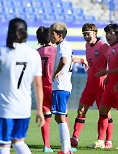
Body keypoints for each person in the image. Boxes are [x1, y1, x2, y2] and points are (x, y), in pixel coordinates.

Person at [0, 18, 45, 154]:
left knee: (3, 146)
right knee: (19, 142)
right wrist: (39, 110)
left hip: (5, 108)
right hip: (24, 109)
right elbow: (38, 85)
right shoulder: (33, 54)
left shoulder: (1, 52)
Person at [70, 23, 114, 150]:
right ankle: (74, 138)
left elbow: (111, 63)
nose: (86, 36)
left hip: (101, 86)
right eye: (84, 34)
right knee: (81, 111)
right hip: (90, 85)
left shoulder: (103, 46)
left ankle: (108, 140)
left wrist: (109, 78)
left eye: (88, 34)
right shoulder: (87, 46)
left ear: (95, 33)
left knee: (105, 114)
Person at [95, 23, 118, 150]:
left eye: (111, 33)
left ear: (117, 34)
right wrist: (108, 78)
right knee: (103, 111)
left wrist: (107, 74)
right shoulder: (111, 48)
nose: (108, 35)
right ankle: (101, 140)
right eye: (107, 33)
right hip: (110, 85)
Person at [49, 22, 73, 154]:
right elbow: (69, 59)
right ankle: (67, 148)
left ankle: (65, 149)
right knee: (60, 115)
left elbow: (64, 60)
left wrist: (56, 72)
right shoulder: (65, 45)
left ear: (60, 35)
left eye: (52, 34)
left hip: (60, 85)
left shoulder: (62, 45)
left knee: (59, 116)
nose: (50, 36)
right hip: (64, 85)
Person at [36, 26, 56, 153]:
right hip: (54, 86)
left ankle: (46, 146)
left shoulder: (36, 52)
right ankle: (66, 144)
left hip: (42, 87)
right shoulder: (56, 50)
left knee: (46, 116)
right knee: (62, 115)